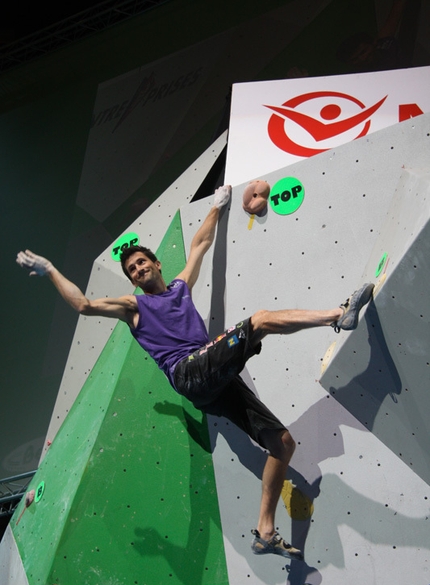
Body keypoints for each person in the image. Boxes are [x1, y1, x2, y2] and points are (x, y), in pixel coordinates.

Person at [16, 185, 374, 560]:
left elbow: (200, 244)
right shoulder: (133, 307)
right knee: (261, 320)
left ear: (155, 264)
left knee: (282, 444)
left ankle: (265, 531)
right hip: (188, 372)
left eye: (141, 263)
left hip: (212, 385)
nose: (138, 270)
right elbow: (84, 305)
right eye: (132, 270)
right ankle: (339, 314)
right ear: (134, 281)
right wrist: (51, 270)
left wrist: (218, 206)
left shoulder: (180, 288)